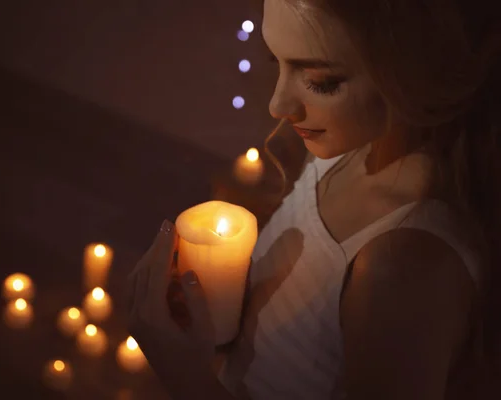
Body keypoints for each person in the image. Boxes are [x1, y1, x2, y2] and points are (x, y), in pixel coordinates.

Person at [126, 0, 501, 398]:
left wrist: (184, 374)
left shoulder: (401, 266)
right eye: (276, 60)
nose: (277, 106)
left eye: (321, 81)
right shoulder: (351, 148)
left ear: (420, 73)